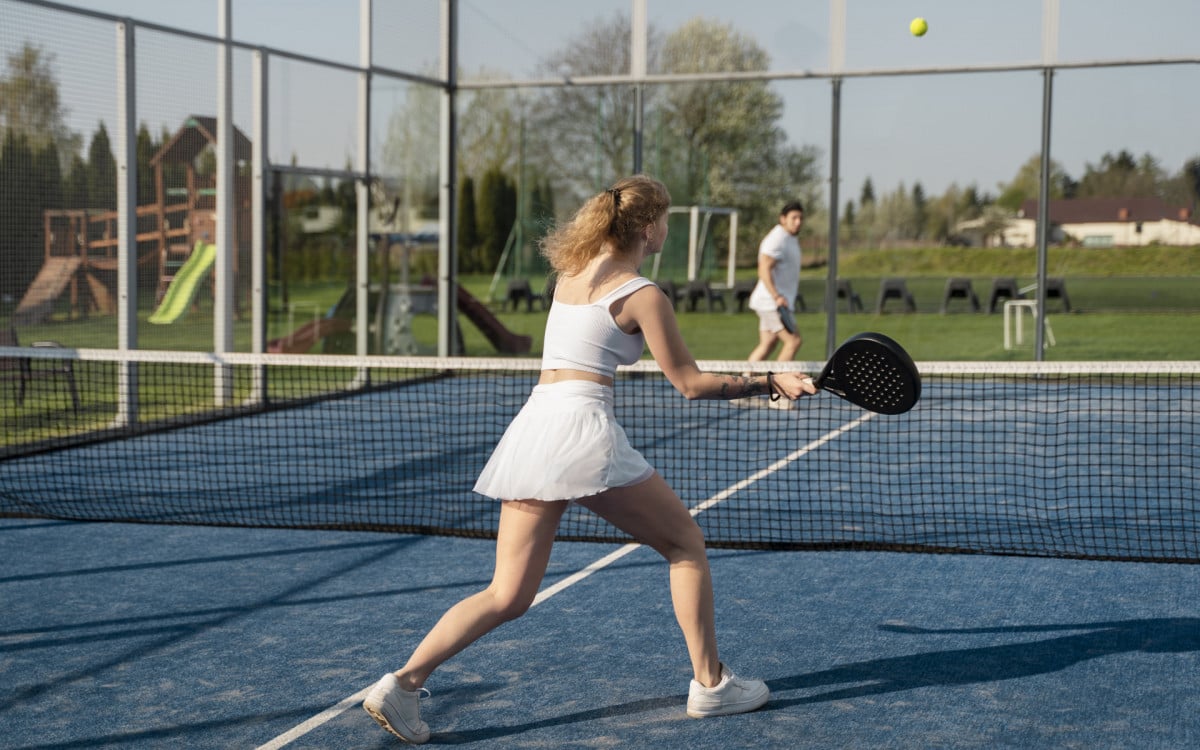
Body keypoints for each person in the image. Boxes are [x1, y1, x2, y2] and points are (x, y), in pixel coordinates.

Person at [362, 175, 817, 744]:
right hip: (580, 430)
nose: (668, 230)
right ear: (648, 228)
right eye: (667, 221)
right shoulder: (643, 293)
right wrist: (770, 380)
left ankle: (401, 685)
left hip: (534, 425)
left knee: (506, 593)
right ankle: (711, 684)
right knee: (684, 545)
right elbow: (691, 383)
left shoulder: (568, 276)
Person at [746, 201, 805, 364]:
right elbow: (763, 269)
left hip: (773, 303)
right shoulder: (777, 238)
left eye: (800, 218)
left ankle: (744, 383)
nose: (798, 222)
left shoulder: (789, 238)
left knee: (768, 344)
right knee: (793, 341)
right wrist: (776, 296)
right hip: (772, 304)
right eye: (794, 218)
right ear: (783, 219)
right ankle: (780, 386)